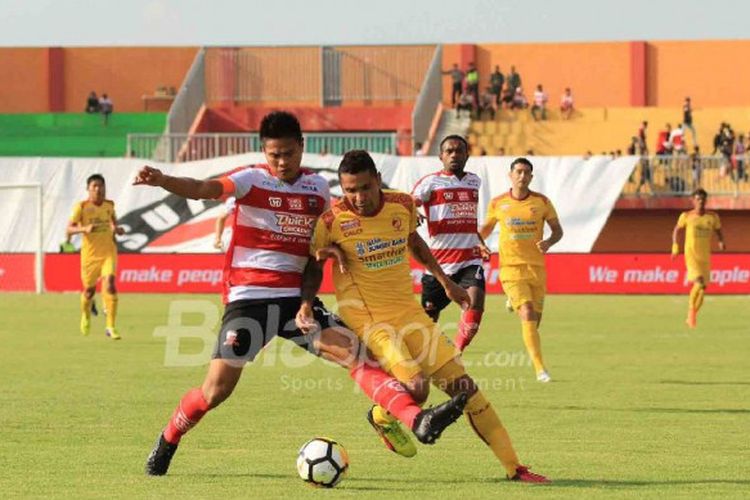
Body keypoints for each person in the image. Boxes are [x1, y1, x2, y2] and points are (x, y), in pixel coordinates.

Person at [135, 111, 466, 476]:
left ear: (301, 148)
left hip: (296, 301)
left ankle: (417, 419)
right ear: (264, 151)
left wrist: (332, 251)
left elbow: (333, 229)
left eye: (289, 153)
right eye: (274, 154)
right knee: (215, 392)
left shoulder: (317, 189)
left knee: (359, 355)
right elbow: (203, 189)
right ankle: (168, 439)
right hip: (249, 298)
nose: (282, 162)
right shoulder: (250, 180)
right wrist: (164, 179)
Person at [299, 150, 550, 483]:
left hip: (410, 312)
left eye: (364, 187)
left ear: (376, 178)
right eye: (350, 190)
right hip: (370, 320)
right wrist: (317, 271)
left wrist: (445, 282)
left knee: (468, 390)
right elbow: (312, 265)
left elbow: (414, 241)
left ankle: (515, 469)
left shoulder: (402, 204)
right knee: (417, 390)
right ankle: (387, 415)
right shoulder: (332, 221)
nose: (358, 197)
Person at [479, 158, 563, 382]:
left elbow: (558, 231)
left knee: (535, 321)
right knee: (526, 312)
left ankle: (512, 301)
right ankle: (540, 369)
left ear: (531, 177)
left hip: (536, 269)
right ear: (510, 175)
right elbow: (485, 230)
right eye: (518, 171)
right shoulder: (498, 203)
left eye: (526, 172)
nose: (522, 176)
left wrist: (549, 242)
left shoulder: (542, 202)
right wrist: (480, 244)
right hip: (510, 268)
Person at [411, 135, 490, 352]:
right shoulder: (430, 183)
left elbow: (468, 219)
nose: (454, 155)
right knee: (428, 321)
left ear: (467, 155)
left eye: (459, 151)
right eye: (449, 151)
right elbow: (408, 203)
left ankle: (456, 353)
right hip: (438, 264)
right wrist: (414, 211)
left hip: (469, 260)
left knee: (475, 307)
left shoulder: (474, 181)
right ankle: (420, 357)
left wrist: (479, 242)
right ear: (441, 156)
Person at [67, 174, 125, 339]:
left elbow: (114, 223)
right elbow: (69, 229)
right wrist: (83, 229)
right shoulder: (82, 207)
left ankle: (110, 327)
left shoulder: (109, 205)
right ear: (88, 189)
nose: (99, 189)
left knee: (110, 285)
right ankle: (86, 314)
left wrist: (117, 229)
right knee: (89, 292)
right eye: (95, 186)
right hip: (90, 256)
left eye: (101, 186)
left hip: (108, 252)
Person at [671, 189, 725, 328]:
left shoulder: (712, 217)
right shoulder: (686, 216)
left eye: (702, 199)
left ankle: (693, 315)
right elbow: (677, 230)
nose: (700, 201)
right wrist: (675, 246)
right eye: (697, 199)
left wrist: (721, 241)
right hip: (691, 256)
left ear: (706, 201)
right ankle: (691, 312)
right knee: (699, 283)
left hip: (705, 257)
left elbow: (718, 230)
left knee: (703, 289)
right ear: (693, 201)